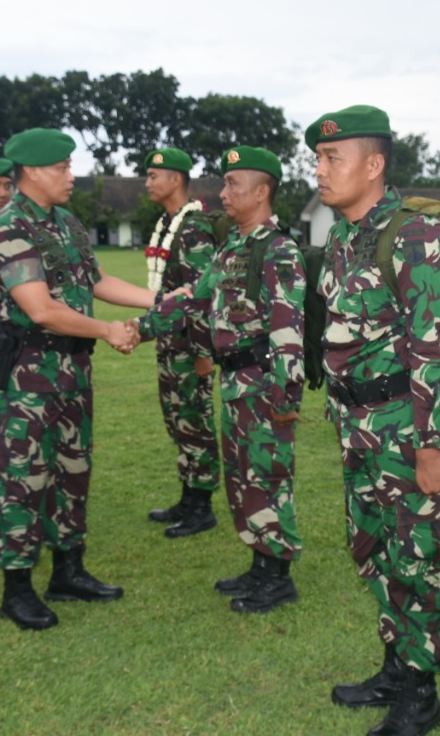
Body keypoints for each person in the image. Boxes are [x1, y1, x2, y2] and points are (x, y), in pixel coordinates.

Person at [309, 105, 440, 736]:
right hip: (356, 422)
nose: (319, 169)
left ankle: (421, 696)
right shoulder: (344, 234)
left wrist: (430, 446)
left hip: (403, 422)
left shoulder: (415, 233)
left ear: (373, 165)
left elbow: (432, 347)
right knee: (372, 547)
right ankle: (397, 665)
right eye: (316, 157)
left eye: (331, 158)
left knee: (417, 554)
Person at [0, 127, 150, 630]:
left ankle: (68, 571)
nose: (70, 176)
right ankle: (16, 590)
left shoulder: (66, 223)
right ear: (32, 172)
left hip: (72, 372)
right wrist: (106, 330)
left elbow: (96, 280)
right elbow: (39, 309)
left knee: (72, 474)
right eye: (62, 168)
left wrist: (161, 301)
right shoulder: (9, 227)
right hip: (27, 380)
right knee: (24, 480)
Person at [139, 145, 305, 613]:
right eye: (224, 183)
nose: (223, 192)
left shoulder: (278, 250)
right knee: (242, 479)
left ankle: (277, 577)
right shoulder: (234, 245)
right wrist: (140, 327)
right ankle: (259, 565)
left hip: (263, 386)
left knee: (268, 477)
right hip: (235, 385)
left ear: (262, 191)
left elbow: (288, 332)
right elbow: (193, 296)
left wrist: (286, 397)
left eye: (233, 184)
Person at [140, 147, 221, 537]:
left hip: (191, 347)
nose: (148, 183)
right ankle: (188, 498)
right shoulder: (168, 223)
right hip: (171, 343)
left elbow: (202, 296)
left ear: (176, 179)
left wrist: (205, 353)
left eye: (154, 176)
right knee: (178, 421)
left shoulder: (192, 228)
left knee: (194, 423)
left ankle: (202, 507)